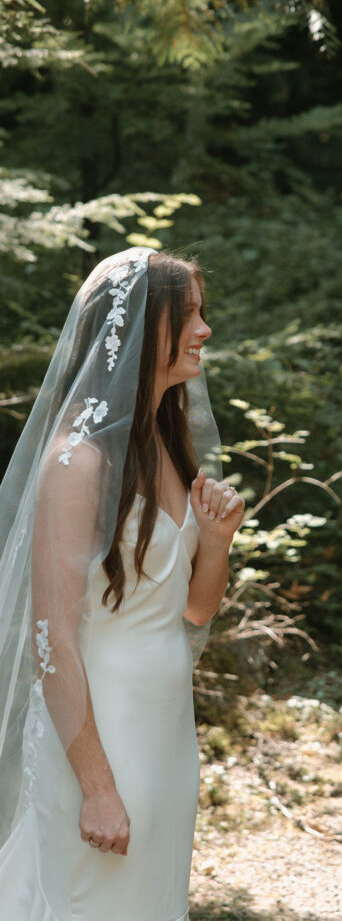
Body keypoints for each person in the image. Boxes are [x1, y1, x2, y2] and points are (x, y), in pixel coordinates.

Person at [0, 248, 244, 920]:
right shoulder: (78, 463)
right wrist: (97, 786)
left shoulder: (163, 442)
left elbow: (194, 610)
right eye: (188, 315)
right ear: (138, 328)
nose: (204, 330)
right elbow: (51, 639)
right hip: (99, 731)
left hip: (164, 726)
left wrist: (215, 542)